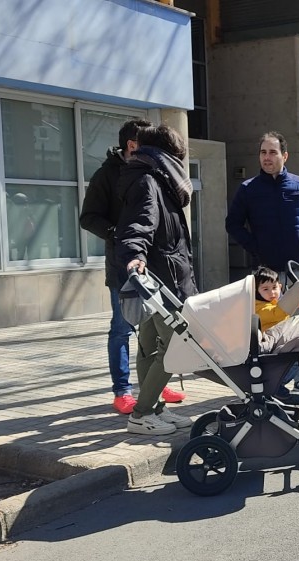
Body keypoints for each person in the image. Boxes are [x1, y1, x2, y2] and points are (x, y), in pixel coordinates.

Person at [79, 118, 185, 415]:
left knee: (154, 332)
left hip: (154, 269)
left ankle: (154, 384)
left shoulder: (150, 172)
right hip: (124, 267)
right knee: (122, 328)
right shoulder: (107, 175)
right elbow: (88, 217)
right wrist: (119, 235)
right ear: (132, 145)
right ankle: (122, 390)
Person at [114, 124, 198, 436]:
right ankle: (142, 413)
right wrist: (136, 255)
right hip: (159, 280)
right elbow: (140, 223)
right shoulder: (150, 180)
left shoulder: (154, 179)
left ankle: (155, 408)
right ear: (168, 155)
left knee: (150, 347)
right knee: (175, 344)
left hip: (158, 275)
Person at [226, 131, 299, 274]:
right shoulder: (248, 189)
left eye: (273, 152)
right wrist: (255, 248)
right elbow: (232, 224)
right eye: (263, 152)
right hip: (264, 273)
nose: (267, 157)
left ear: (284, 156)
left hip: (296, 269)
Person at [253, 266, 299, 395]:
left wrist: (295, 302)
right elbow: (278, 313)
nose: (272, 293)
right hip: (270, 345)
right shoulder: (258, 308)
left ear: (280, 287)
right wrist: (292, 300)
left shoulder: (275, 302)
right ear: (256, 291)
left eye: (274, 288)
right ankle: (278, 383)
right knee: (296, 354)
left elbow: (282, 310)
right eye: (265, 289)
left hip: (280, 340)